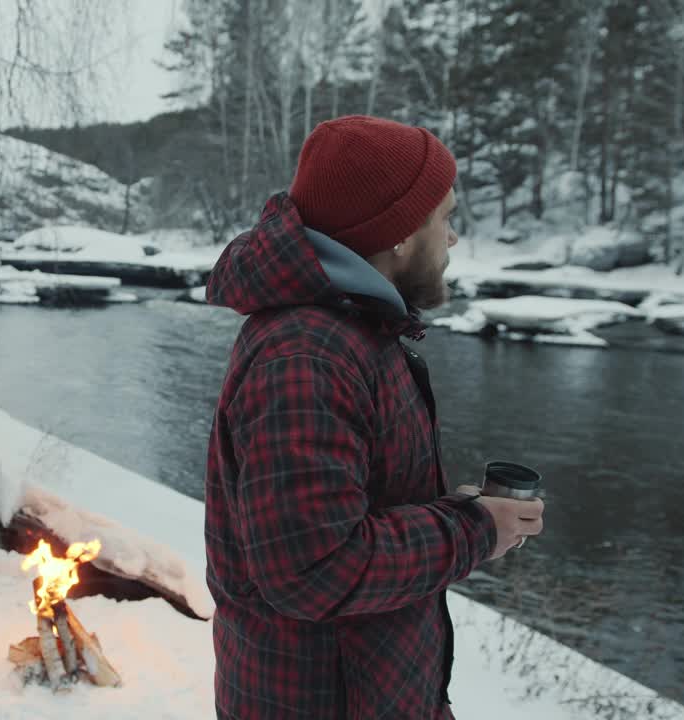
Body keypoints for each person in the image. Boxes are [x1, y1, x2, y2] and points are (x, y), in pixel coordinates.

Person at [203, 115, 546, 719]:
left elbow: (353, 519)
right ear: (399, 234)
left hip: (371, 691)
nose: (454, 239)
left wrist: (459, 511)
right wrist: (473, 532)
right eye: (445, 218)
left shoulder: (353, 329)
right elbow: (314, 570)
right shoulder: (306, 356)